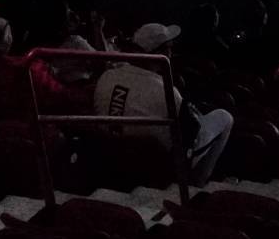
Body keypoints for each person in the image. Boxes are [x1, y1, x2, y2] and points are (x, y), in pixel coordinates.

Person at [93, 23, 235, 185]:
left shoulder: (107, 76)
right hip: (156, 165)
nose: (171, 52)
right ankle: (197, 184)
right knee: (224, 117)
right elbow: (191, 132)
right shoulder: (165, 90)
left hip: (111, 157)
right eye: (169, 48)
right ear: (161, 52)